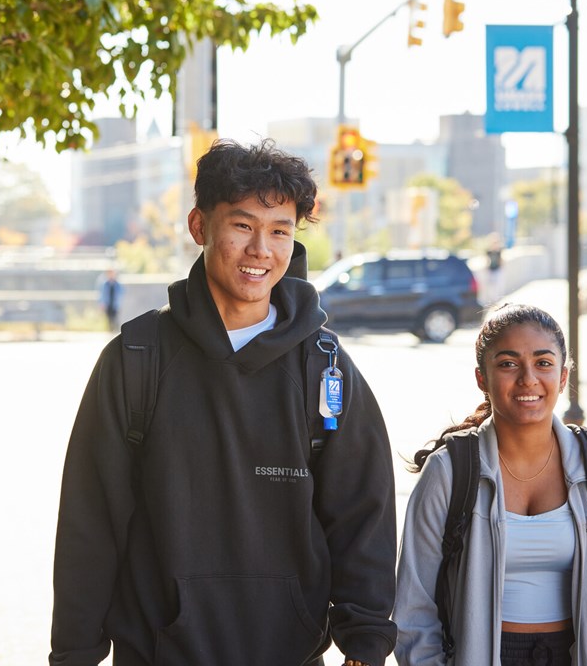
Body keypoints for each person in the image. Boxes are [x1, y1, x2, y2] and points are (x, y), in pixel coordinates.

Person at [50, 139, 398, 666]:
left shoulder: (323, 366)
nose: (262, 249)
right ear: (200, 227)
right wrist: (74, 652)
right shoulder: (136, 359)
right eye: (242, 225)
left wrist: (366, 642)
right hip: (157, 653)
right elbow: (90, 521)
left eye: (280, 230)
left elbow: (362, 512)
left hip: (289, 652)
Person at [394, 303, 587, 666]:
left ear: (563, 378)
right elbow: (413, 605)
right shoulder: (449, 472)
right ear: (482, 378)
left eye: (543, 363)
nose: (528, 379)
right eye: (507, 363)